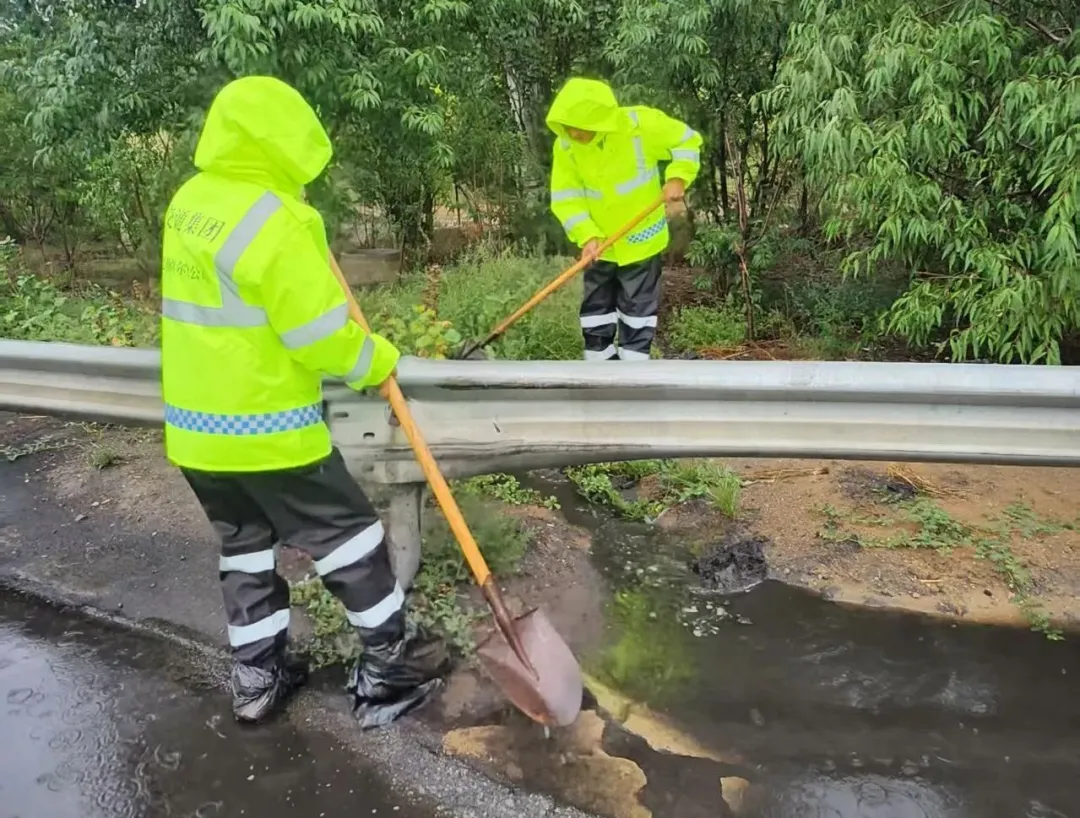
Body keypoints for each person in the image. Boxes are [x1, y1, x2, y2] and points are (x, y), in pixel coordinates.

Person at [159, 75, 448, 726]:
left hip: (196, 432)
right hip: (269, 429)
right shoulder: (280, 221)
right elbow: (317, 337)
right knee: (350, 540)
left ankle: (257, 677)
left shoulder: (189, 201)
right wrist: (377, 360)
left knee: (244, 547)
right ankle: (389, 670)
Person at [546, 78, 702, 361]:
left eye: (579, 127)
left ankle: (633, 371)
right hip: (599, 247)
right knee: (596, 312)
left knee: (637, 312)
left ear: (599, 122)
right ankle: (599, 369)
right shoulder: (567, 146)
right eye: (568, 127)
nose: (573, 133)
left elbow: (687, 140)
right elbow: (566, 197)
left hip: (641, 243)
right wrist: (587, 235)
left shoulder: (640, 127)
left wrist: (678, 176)